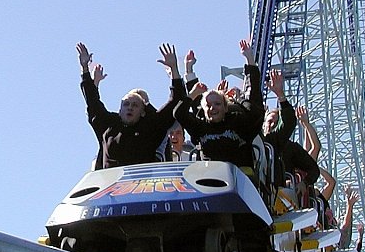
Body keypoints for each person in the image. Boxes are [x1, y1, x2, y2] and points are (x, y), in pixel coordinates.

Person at [76, 42, 185, 169]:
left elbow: (176, 102)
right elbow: (92, 100)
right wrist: (84, 69)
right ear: (120, 109)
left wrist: (174, 69)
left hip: (143, 186)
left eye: (135, 105)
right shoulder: (108, 125)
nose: (130, 107)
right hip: (113, 185)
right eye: (126, 104)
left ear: (143, 112)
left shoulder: (151, 127)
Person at [174, 39, 265, 172]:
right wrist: (191, 82)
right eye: (209, 106)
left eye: (217, 104)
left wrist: (250, 60)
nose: (213, 108)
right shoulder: (200, 127)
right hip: (210, 178)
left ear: (225, 107)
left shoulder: (237, 122)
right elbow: (180, 113)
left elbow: (254, 108)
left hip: (236, 179)